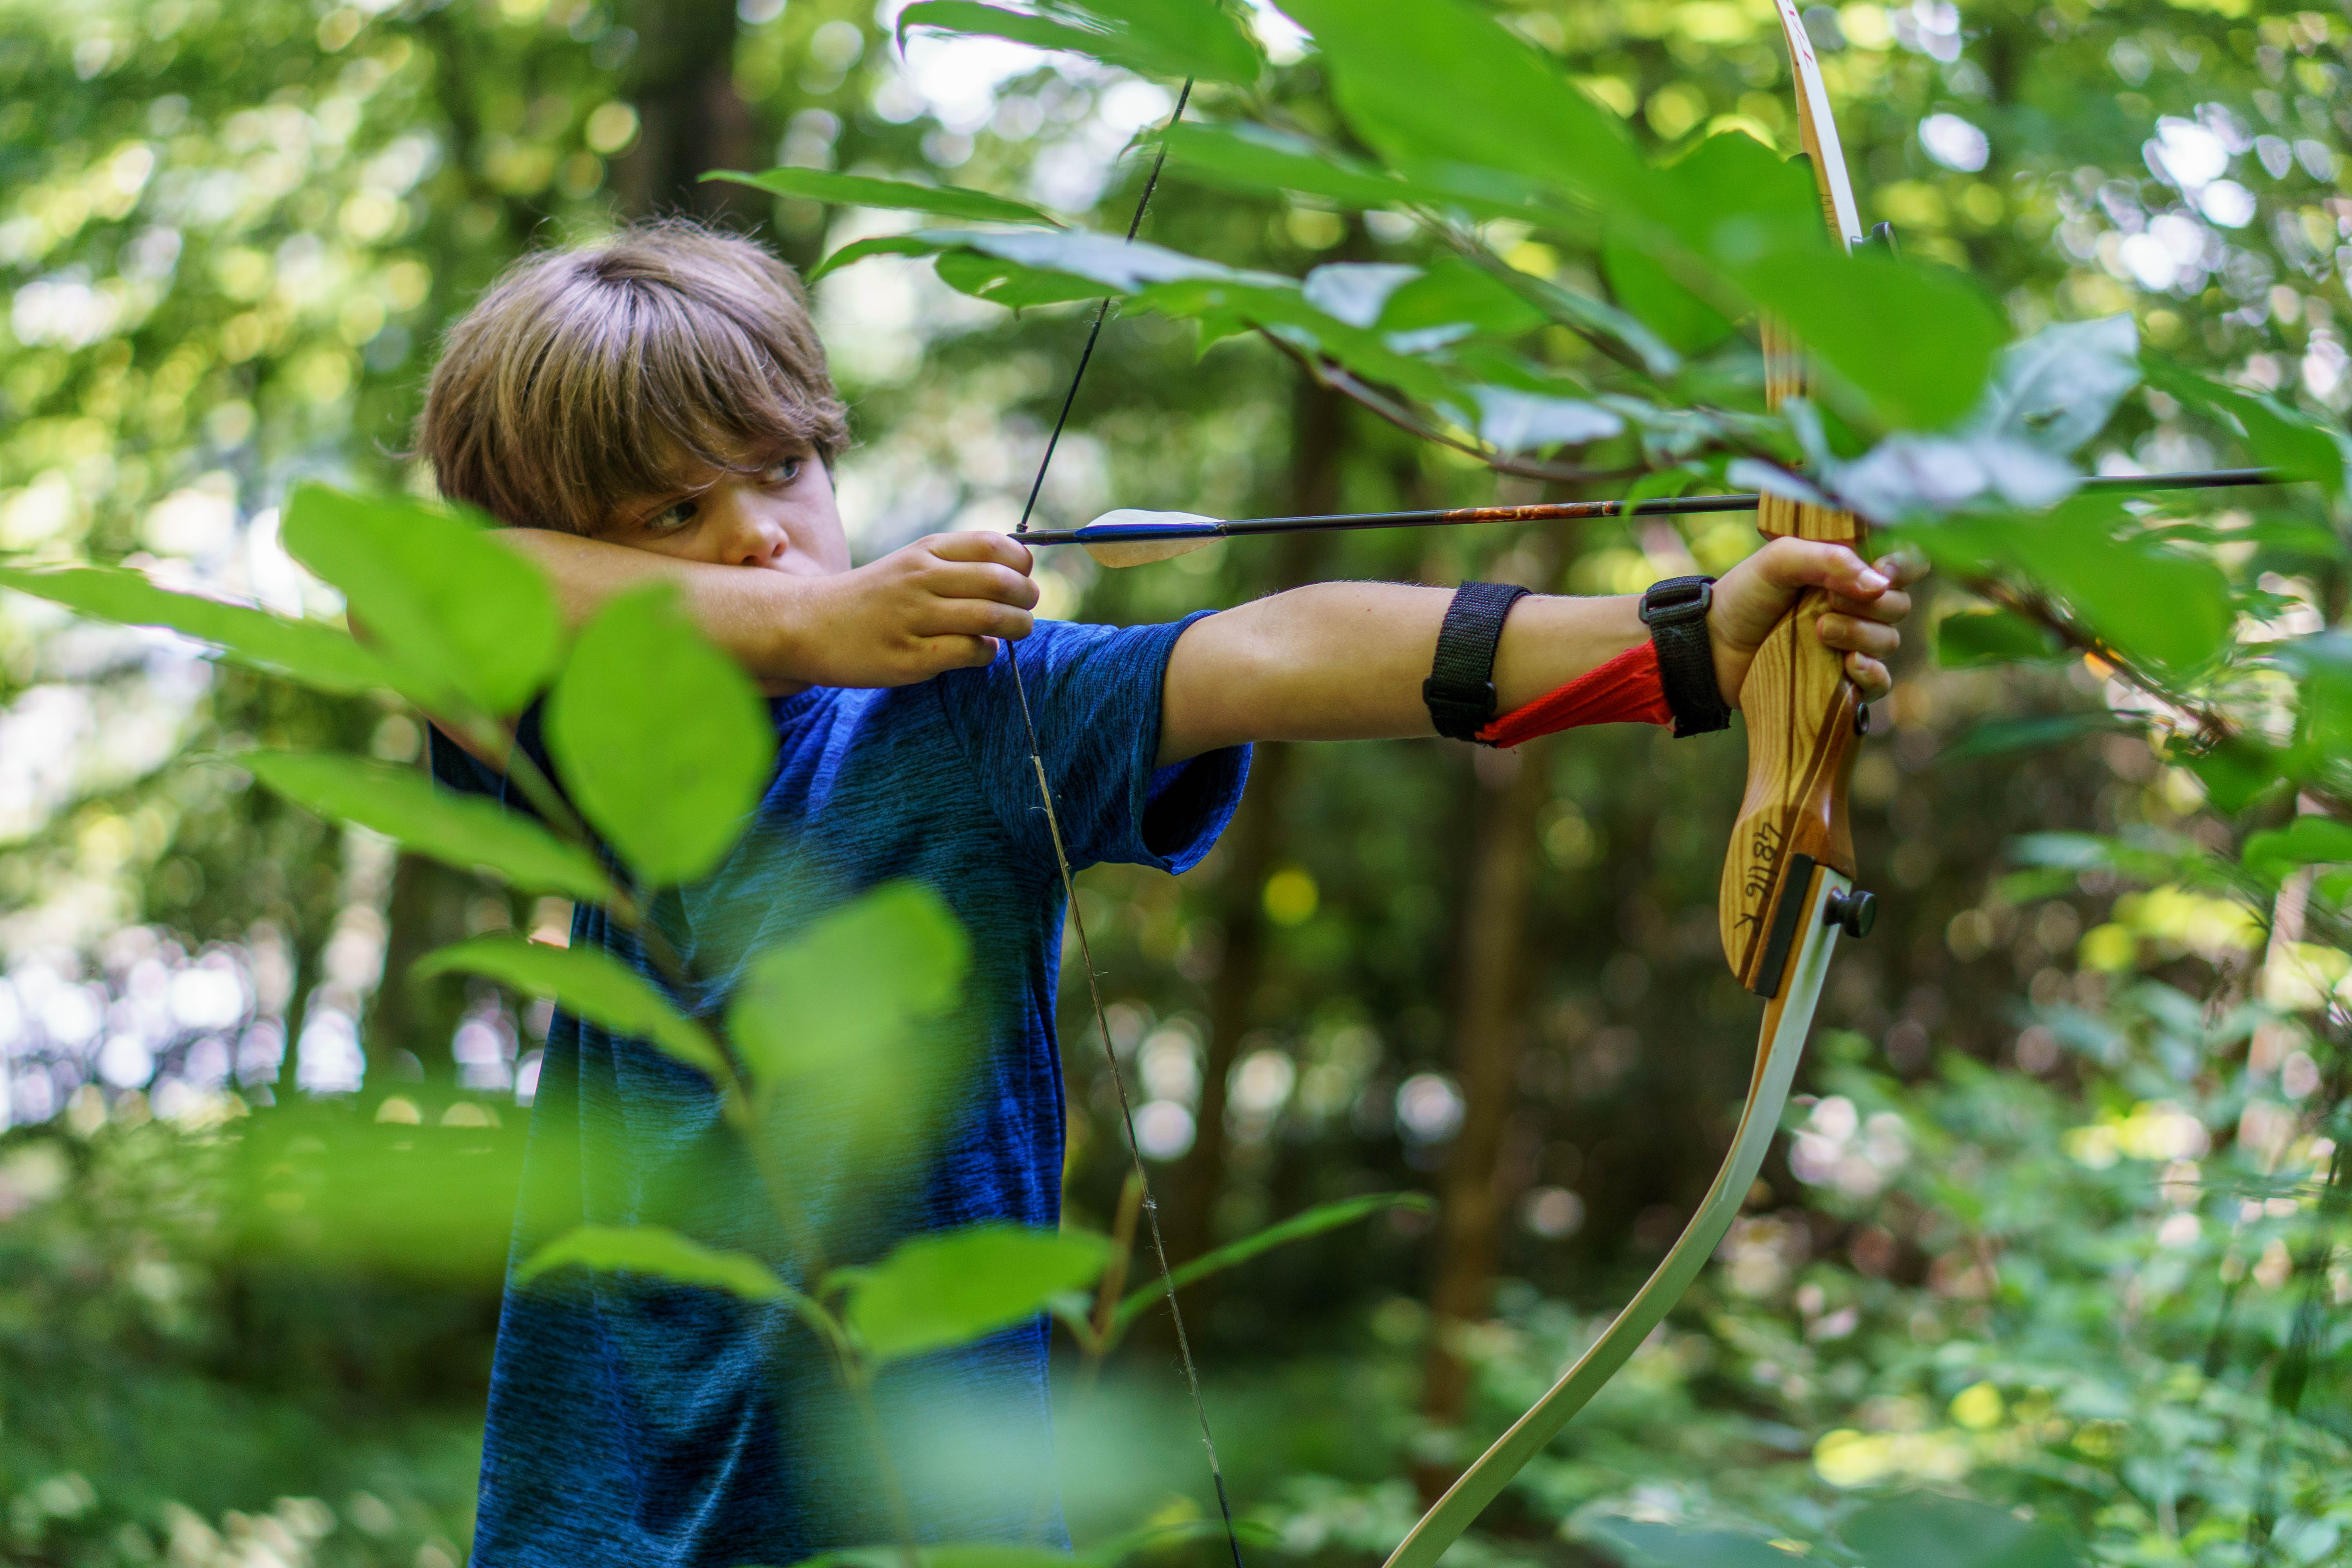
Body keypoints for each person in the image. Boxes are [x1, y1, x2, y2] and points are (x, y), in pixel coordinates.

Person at [415, 218, 1919, 1567]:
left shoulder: (963, 713)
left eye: (781, 469)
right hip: (584, 1522)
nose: (756, 528)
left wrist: (1684, 644)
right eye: (674, 515)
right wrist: (806, 614)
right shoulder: (569, 752)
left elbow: (1271, 652)